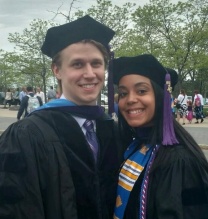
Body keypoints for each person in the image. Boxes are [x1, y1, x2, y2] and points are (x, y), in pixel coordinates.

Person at [0, 15, 129, 219]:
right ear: (57, 70)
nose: (89, 73)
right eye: (77, 64)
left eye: (96, 64)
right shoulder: (26, 135)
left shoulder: (113, 130)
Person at [112, 54, 208, 219]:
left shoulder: (180, 160)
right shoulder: (135, 146)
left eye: (141, 91)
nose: (130, 99)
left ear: (161, 97)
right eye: (123, 93)